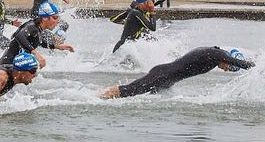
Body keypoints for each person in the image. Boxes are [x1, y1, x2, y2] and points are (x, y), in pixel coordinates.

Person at [101, 47, 255, 99]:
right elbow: (244, 64)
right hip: (161, 76)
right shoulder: (216, 55)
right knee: (129, 91)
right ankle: (97, 97)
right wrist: (259, 66)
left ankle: (102, 95)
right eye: (229, 68)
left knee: (133, 94)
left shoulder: (213, 54)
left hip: (166, 80)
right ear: (229, 60)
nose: (225, 70)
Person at [0, 1, 75, 67]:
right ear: (44, 18)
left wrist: (57, 46)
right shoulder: (32, 27)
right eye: (55, 18)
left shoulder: (38, 28)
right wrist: (36, 54)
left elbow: (39, 41)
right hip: (4, 68)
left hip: (13, 67)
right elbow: (18, 36)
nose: (57, 21)